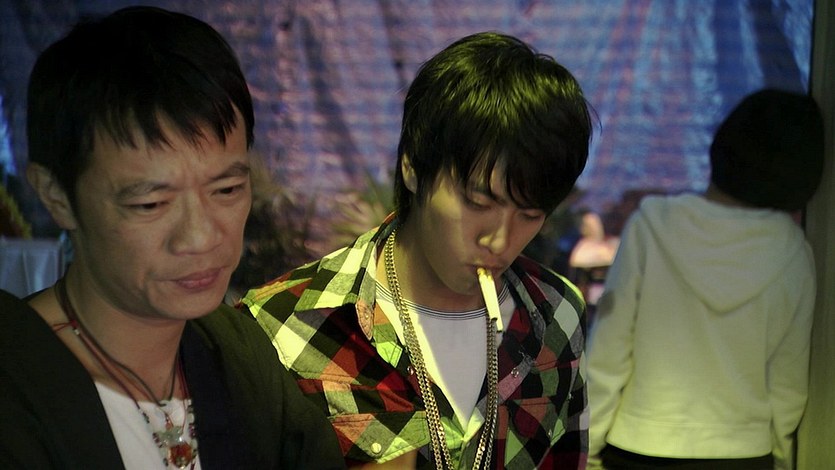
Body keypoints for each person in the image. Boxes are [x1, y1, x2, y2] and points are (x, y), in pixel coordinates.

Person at [0, 6, 343, 469]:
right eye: (151, 204)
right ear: (56, 196)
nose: (200, 237)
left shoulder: (243, 357)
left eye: (227, 190)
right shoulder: (16, 384)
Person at [241, 32, 593, 469]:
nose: (500, 241)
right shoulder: (284, 324)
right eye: (478, 202)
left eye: (529, 214)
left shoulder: (556, 316)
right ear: (412, 166)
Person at [586, 89, 824, 470]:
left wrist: (588, 448)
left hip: (639, 444)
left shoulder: (652, 225)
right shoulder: (792, 250)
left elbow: (609, 351)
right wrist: (780, 456)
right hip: (743, 453)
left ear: (722, 145)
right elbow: (788, 383)